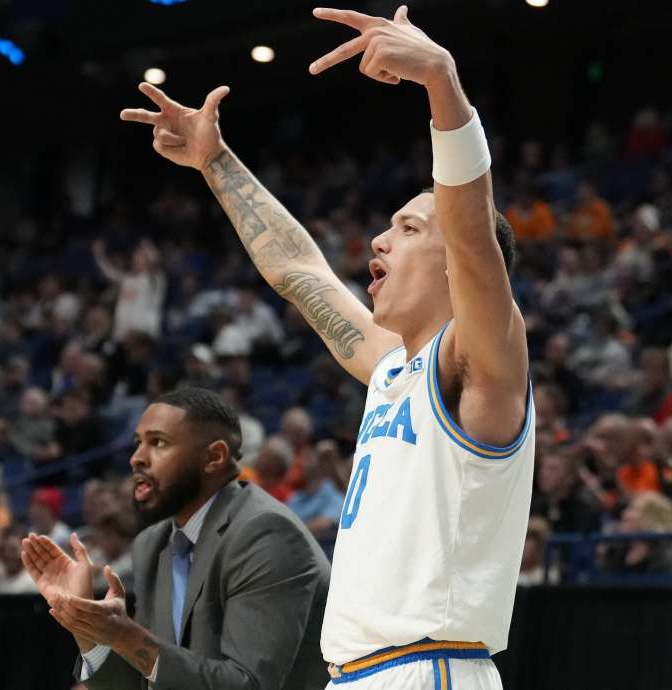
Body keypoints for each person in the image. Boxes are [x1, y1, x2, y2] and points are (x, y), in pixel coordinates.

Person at [120, 7, 534, 688]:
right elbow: (297, 269)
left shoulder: (481, 359)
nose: (380, 239)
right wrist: (214, 162)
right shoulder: (393, 366)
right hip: (357, 671)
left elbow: (471, 236)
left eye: (409, 229)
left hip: (428, 668)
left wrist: (441, 82)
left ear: (457, 265)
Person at [21, 387, 330, 689]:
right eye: (137, 443)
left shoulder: (266, 534)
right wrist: (86, 621)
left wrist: (124, 635)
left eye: (158, 443)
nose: (136, 458)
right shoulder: (152, 544)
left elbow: (247, 684)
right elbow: (148, 679)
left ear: (214, 457)